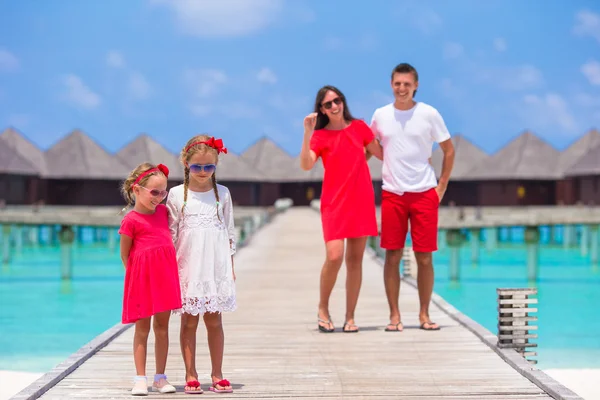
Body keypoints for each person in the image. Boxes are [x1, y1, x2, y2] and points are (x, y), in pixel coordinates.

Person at [370, 63, 455, 332]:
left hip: (424, 193)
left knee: (425, 257)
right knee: (391, 256)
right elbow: (368, 147)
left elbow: (449, 150)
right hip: (393, 194)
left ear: (416, 85)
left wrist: (441, 185)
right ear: (391, 84)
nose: (402, 88)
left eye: (407, 84)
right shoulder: (381, 115)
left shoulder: (429, 113)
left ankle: (424, 314)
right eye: (397, 84)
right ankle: (394, 316)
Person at [300, 85, 383, 333]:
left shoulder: (359, 128)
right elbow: (306, 165)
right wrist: (307, 133)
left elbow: (380, 152)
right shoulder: (320, 135)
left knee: (355, 260)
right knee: (334, 256)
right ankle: (323, 308)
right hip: (334, 203)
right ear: (321, 109)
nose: (335, 106)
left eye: (337, 101)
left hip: (361, 200)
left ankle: (350, 317)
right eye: (328, 104)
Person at [166, 135, 236, 394]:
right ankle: (190, 373)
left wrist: (230, 267)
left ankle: (217, 373)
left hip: (215, 268)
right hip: (188, 267)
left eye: (209, 167)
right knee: (189, 321)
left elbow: (229, 232)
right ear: (186, 163)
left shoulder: (223, 193)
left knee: (215, 321)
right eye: (197, 167)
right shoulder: (175, 194)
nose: (204, 172)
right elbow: (171, 234)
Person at [118, 162, 182, 395]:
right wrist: (137, 278)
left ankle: (160, 377)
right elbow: (125, 254)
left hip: (165, 280)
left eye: (163, 193)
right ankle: (140, 378)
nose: (159, 198)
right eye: (154, 192)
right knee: (142, 329)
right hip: (142, 282)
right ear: (136, 190)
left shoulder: (164, 213)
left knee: (162, 327)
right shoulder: (131, 221)